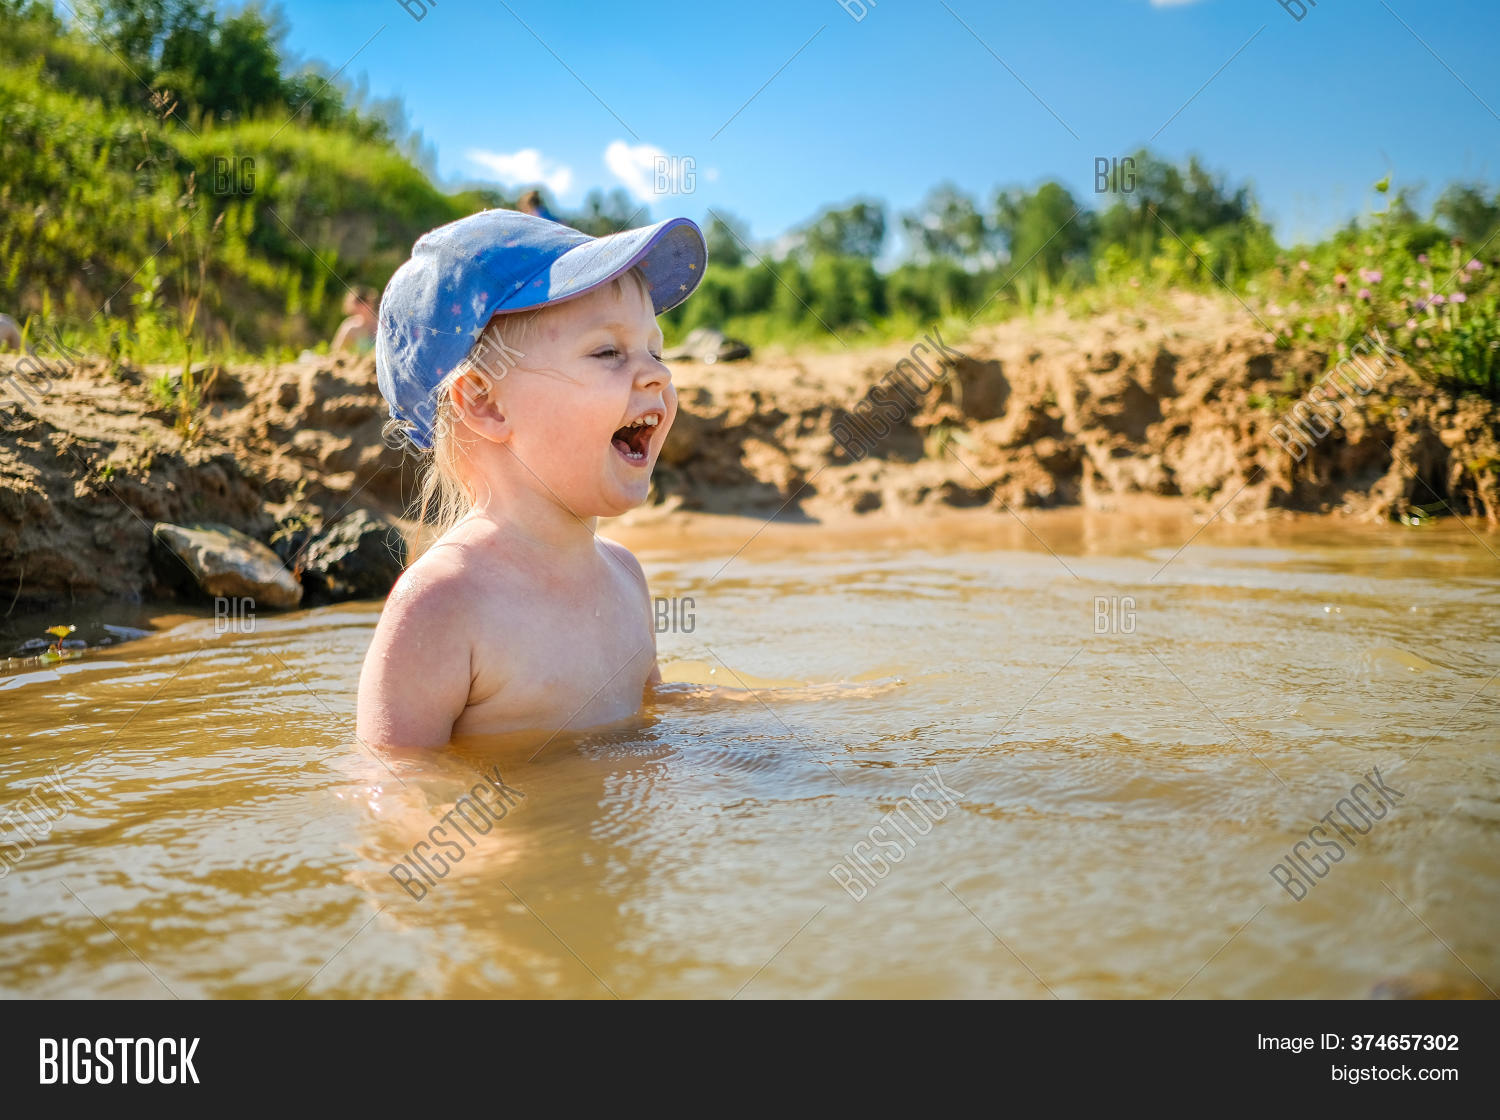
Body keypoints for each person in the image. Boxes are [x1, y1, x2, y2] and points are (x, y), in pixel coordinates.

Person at [357, 209, 707, 749]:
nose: (659, 373)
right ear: (485, 401)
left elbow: (651, 714)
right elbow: (394, 790)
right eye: (608, 352)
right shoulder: (442, 603)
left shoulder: (625, 577)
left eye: (656, 351)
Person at [331, 286, 378, 355]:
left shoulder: (382, 322)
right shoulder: (350, 327)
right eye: (358, 302)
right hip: (364, 365)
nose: (362, 306)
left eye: (364, 301)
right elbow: (335, 352)